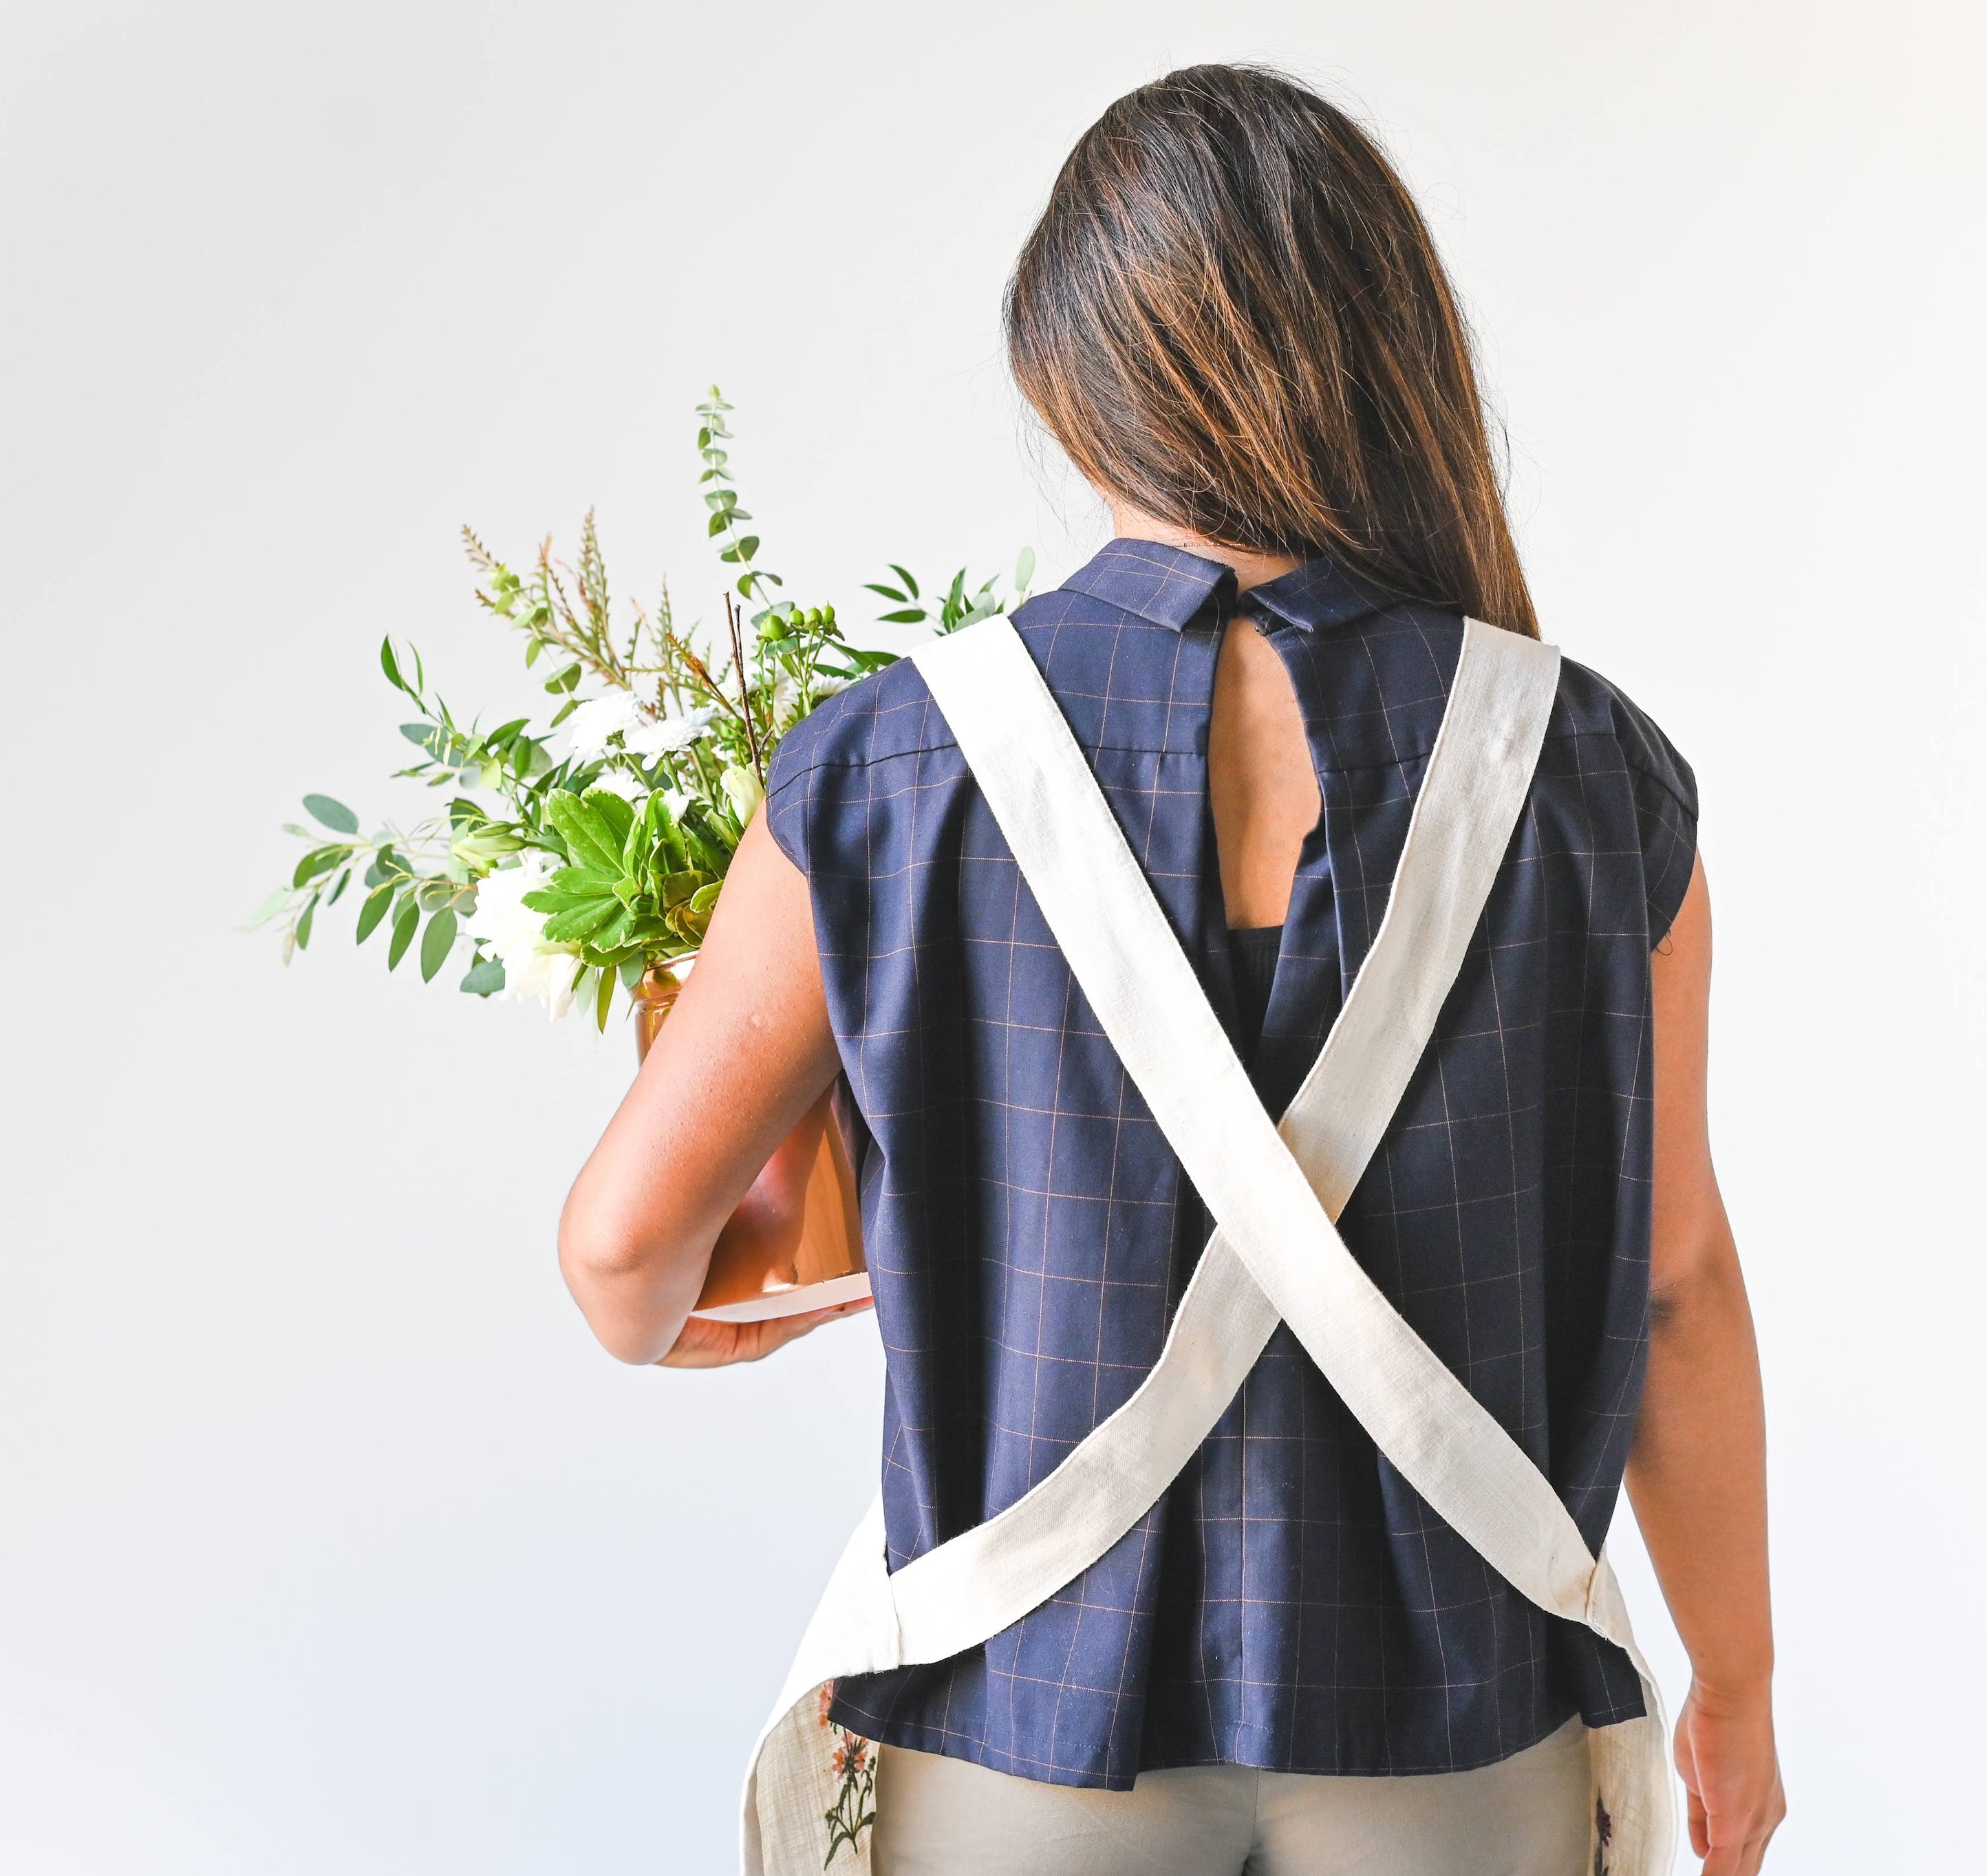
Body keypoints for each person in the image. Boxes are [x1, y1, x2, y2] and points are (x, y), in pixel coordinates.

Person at [557, 64, 1783, 1876]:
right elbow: (1672, 1283)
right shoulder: (1590, 771)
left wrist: (758, 1295)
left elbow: (619, 1259)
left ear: (1073, 385)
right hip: (1454, 1722)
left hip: (1034, 1723)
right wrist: (1735, 1688)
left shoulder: (896, 765)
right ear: (1390, 361)